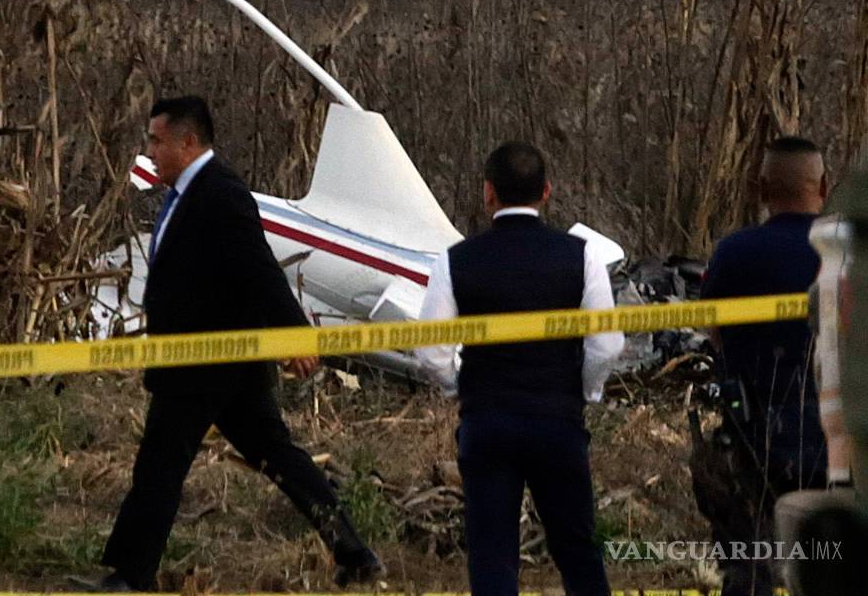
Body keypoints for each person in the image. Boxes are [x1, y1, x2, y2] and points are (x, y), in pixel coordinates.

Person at [82, 96, 382, 592]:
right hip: (215, 365)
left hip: (206, 363)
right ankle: (356, 553)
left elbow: (258, 269)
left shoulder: (220, 192)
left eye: (157, 141)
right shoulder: (187, 192)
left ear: (188, 141)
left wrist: (293, 334)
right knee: (277, 456)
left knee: (161, 461)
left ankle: (131, 576)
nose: (150, 151)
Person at [419, 141, 623, 596]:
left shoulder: (454, 259)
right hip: (558, 423)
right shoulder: (583, 255)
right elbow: (607, 344)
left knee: (492, 559)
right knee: (578, 552)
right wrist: (583, 391)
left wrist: (463, 388)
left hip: (487, 424)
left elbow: (430, 352)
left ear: (488, 193)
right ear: (547, 191)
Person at [691, 135, 829, 596]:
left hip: (755, 438)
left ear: (761, 188)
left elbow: (715, 334)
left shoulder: (735, 253)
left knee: (750, 569)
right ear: (823, 186)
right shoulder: (848, 251)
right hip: (842, 434)